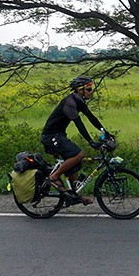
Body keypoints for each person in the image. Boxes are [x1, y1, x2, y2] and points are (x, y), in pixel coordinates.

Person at [40, 75, 108, 206]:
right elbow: (79, 124)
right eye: (89, 89)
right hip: (51, 136)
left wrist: (106, 132)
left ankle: (75, 195)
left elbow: (91, 118)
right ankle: (53, 177)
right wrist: (91, 142)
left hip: (59, 135)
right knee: (78, 154)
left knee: (72, 165)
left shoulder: (78, 101)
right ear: (80, 89)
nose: (91, 92)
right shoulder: (69, 103)